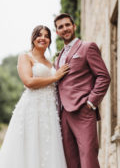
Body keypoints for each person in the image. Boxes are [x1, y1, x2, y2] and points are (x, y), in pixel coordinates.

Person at [0, 25, 69, 168]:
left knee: (47, 148)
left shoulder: (51, 63)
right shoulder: (25, 57)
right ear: (33, 38)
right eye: (39, 35)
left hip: (50, 111)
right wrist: (55, 77)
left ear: (50, 40)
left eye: (46, 36)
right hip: (32, 109)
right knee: (30, 148)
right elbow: (29, 82)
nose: (43, 38)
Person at [54, 13, 111, 168]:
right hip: (63, 114)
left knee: (88, 159)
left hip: (83, 111)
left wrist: (91, 102)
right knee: (71, 161)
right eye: (60, 27)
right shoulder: (58, 58)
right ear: (57, 32)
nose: (64, 28)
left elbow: (104, 77)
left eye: (67, 25)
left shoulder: (87, 47)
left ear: (74, 26)